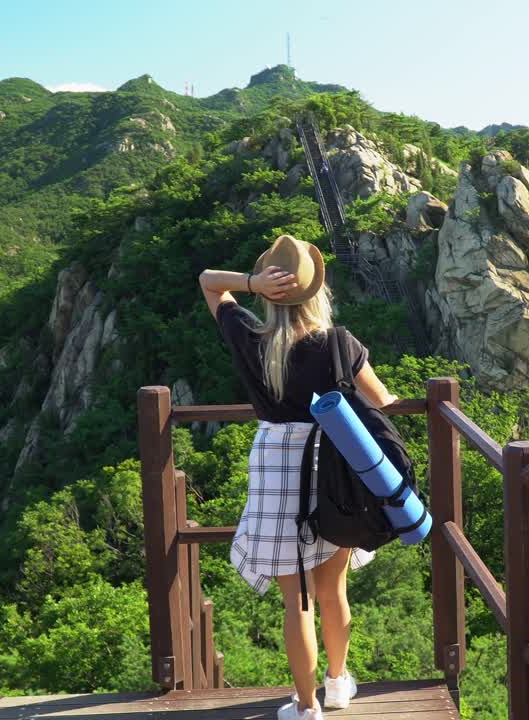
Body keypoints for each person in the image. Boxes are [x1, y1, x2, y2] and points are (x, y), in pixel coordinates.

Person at [199, 235, 399, 720]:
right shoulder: (338, 344)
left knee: (298, 603)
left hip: (275, 471)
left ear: (271, 293)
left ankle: (307, 707)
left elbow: (208, 282)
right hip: (333, 469)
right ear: (317, 293)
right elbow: (381, 400)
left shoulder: (250, 338)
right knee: (333, 590)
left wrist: (252, 284)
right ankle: (337, 683)